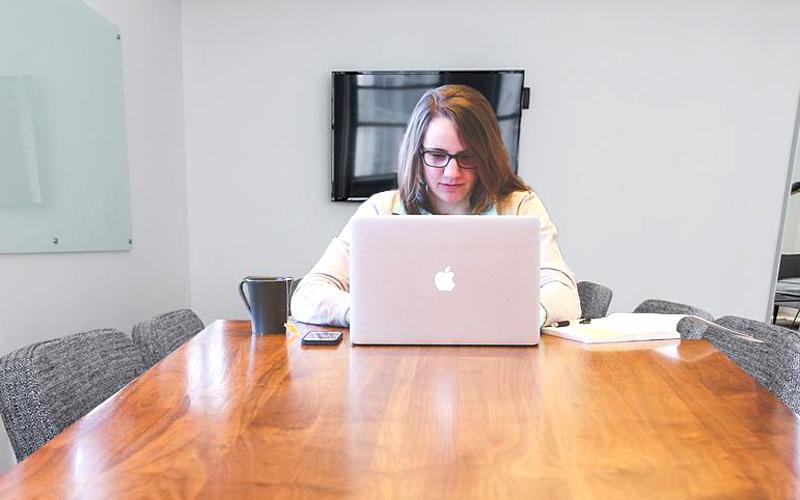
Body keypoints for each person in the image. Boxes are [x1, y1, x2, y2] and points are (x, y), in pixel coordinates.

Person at [291, 84, 581, 327]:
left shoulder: (519, 207)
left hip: (498, 365)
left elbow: (566, 296)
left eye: (467, 157)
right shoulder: (381, 210)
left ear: (487, 157)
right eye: (437, 155)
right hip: (397, 365)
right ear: (417, 154)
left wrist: (515, 318)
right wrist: (365, 313)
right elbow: (307, 295)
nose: (452, 173)